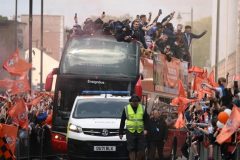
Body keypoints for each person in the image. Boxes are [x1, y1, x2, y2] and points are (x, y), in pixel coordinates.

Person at [119, 94, 148, 160]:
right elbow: (122, 121)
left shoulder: (142, 108)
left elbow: (146, 119)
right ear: (131, 102)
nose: (135, 103)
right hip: (130, 131)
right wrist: (120, 132)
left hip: (140, 131)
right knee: (131, 149)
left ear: (138, 101)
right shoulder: (126, 108)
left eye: (136, 101)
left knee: (141, 149)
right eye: (133, 101)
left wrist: (146, 129)